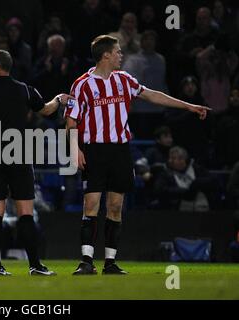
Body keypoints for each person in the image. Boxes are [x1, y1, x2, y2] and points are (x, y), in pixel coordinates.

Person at [64, 35, 210, 275]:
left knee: (115, 205)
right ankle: (86, 261)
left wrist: (188, 106)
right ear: (106, 55)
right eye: (118, 51)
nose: (121, 55)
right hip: (95, 149)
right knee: (91, 204)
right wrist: (75, 149)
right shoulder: (82, 84)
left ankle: (110, 262)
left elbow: (152, 95)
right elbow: (70, 121)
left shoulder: (123, 80)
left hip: (120, 149)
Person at [0, 50, 72, 276]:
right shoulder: (25, 89)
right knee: (26, 212)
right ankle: (35, 265)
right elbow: (45, 109)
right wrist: (58, 99)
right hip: (20, 155)